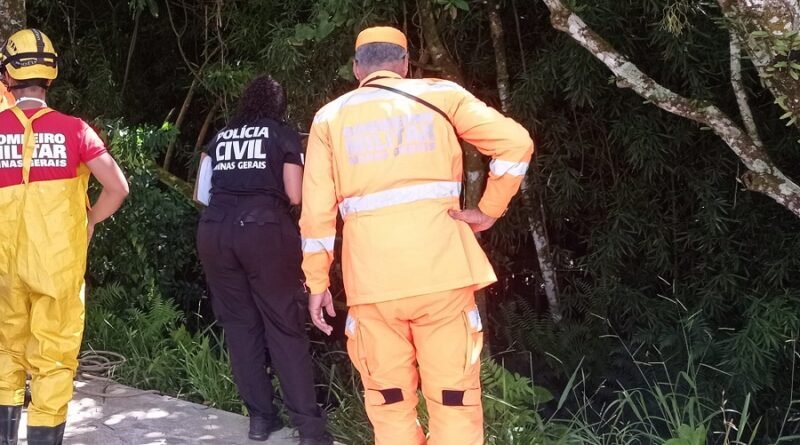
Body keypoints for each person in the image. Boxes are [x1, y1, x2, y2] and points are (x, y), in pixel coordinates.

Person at [300, 26, 534, 445]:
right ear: (405, 65)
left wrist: (316, 282)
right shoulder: (442, 97)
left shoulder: (330, 119)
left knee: (389, 404)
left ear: (357, 69)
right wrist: (487, 211)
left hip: (372, 286)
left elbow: (316, 213)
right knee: (454, 400)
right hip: (442, 276)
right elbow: (516, 143)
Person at [0, 28, 129, 445]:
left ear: (7, 77)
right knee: (53, 360)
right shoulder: (76, 130)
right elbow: (118, 187)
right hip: (57, 268)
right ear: (50, 76)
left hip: (3, 268)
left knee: (4, 353)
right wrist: (89, 220)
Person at [194, 75, 333, 445]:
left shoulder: (220, 137)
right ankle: (309, 428)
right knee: (284, 326)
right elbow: (294, 193)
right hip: (264, 230)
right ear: (278, 105)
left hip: (214, 231)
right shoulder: (282, 136)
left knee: (240, 327)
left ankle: (260, 418)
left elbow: (201, 193)